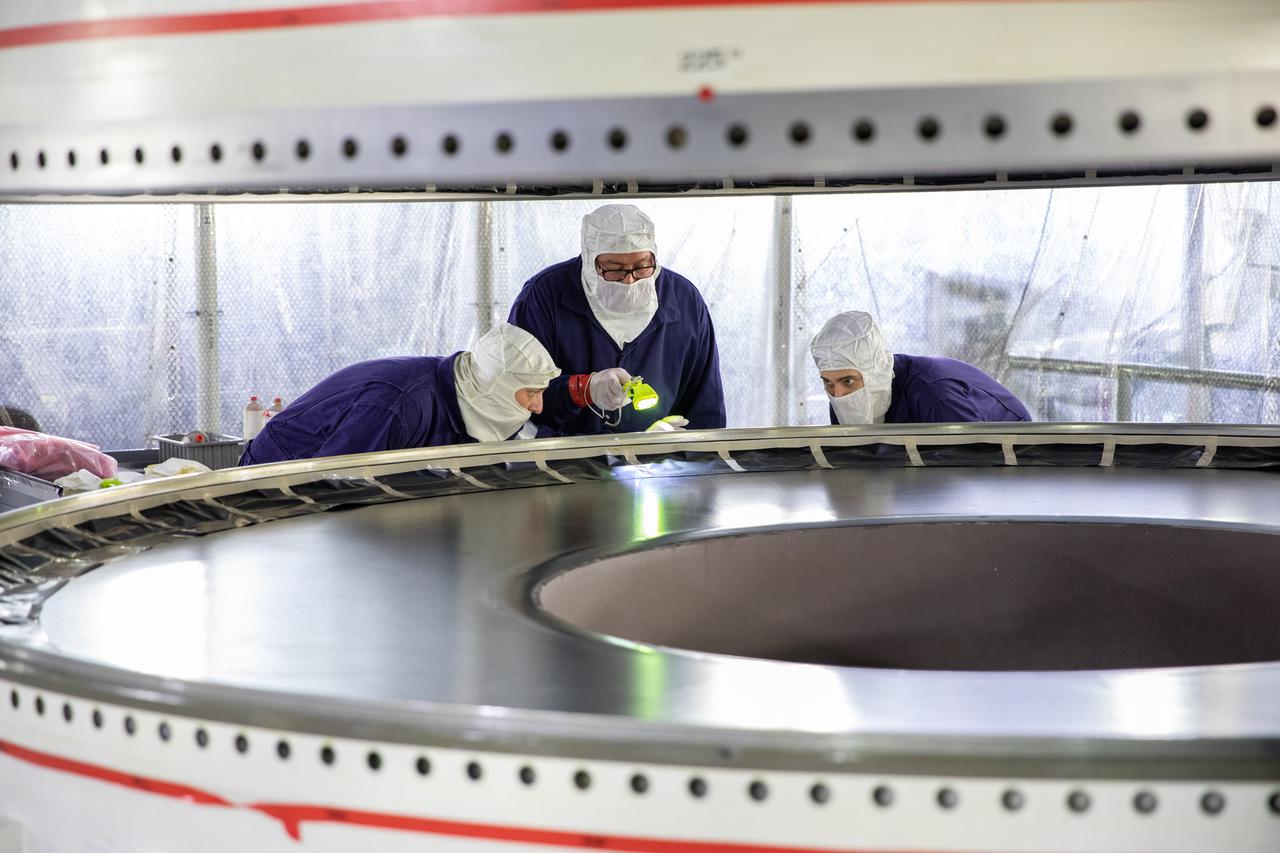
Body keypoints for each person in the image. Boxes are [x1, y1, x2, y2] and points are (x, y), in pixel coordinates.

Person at [509, 203, 725, 436]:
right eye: (614, 269)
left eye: (642, 267)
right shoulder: (543, 298)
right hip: (564, 461)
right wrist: (583, 389)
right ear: (590, 261)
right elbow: (514, 396)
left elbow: (706, 405)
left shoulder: (685, 302)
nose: (629, 281)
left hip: (660, 465)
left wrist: (681, 453)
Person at [239, 323, 559, 465]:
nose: (538, 406)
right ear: (494, 386)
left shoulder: (468, 395)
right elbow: (334, 485)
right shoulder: (397, 408)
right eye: (531, 392)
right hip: (279, 476)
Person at [810, 311, 1031, 424]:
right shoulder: (843, 399)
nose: (838, 395)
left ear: (874, 373)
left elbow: (970, 468)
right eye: (828, 383)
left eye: (848, 381)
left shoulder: (936, 395)